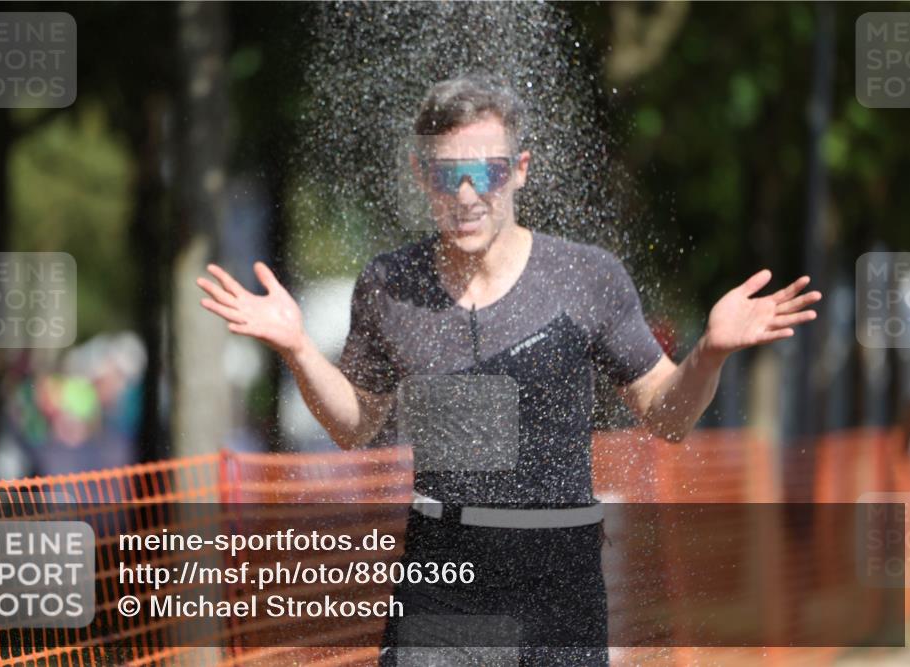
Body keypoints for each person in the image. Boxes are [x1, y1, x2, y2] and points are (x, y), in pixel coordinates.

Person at [197, 73, 821, 666]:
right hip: (443, 570)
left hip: (560, 576)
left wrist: (709, 351)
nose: (467, 196)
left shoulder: (586, 277)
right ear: (421, 175)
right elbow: (354, 425)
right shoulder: (389, 285)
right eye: (448, 175)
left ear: (519, 171)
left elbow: (668, 417)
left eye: (486, 173)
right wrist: (299, 349)